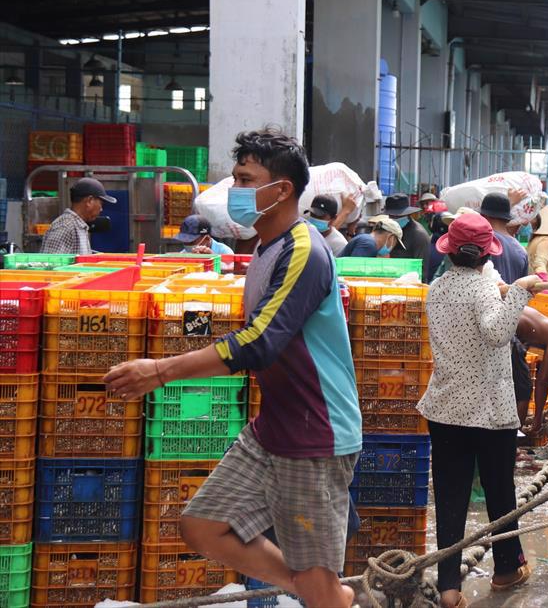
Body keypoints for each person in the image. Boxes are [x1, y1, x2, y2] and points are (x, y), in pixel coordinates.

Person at [104, 128, 361, 607]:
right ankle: (331, 594)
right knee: (202, 526)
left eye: (245, 180)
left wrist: (159, 372)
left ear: (282, 190)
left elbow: (259, 343)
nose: (235, 190)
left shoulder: (304, 251)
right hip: (274, 427)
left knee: (317, 581)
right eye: (235, 178)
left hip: (315, 434)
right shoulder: (266, 249)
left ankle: (327, 594)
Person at [417, 212, 547, 608]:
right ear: (486, 254)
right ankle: (506, 568)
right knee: (500, 491)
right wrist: (520, 290)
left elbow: (475, 320)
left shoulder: (437, 289)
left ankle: (449, 589)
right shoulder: (484, 288)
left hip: (445, 409)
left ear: (450, 252)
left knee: (450, 499)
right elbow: (495, 333)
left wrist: (504, 292)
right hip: (489, 412)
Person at [41, 177, 116, 254]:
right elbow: (51, 260)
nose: (101, 209)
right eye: (101, 204)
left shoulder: (78, 226)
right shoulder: (65, 227)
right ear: (89, 201)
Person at [479, 193, 529, 284]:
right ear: (507, 219)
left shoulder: (483, 240)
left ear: (484, 216)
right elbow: (523, 288)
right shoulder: (522, 251)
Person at [385, 194, 432, 282]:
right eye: (391, 216)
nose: (394, 219)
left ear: (407, 214)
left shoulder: (419, 235)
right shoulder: (390, 230)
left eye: (397, 217)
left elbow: (421, 272)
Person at [339, 215, 405, 258]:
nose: (392, 249)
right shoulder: (368, 244)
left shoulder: (367, 241)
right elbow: (356, 271)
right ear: (391, 238)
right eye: (395, 243)